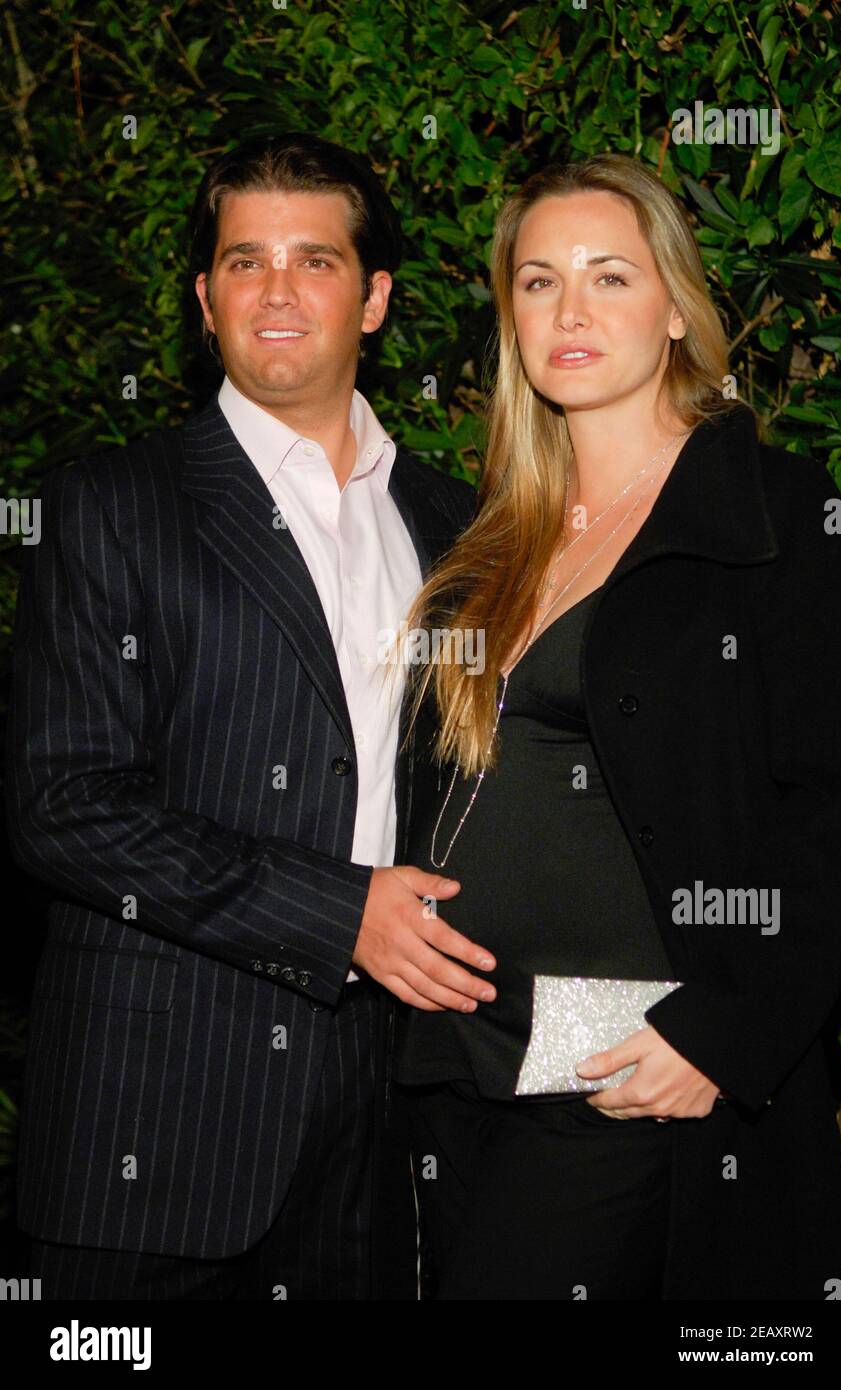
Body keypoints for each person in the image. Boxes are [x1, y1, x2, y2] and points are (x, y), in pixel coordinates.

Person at [5, 131, 492, 1300]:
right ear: (204, 296)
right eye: (243, 260)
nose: (275, 290)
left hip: (374, 1128)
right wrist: (339, 916)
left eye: (314, 260)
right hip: (151, 1124)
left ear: (372, 300)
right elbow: (61, 806)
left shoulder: (456, 522)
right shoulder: (112, 505)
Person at [390, 154, 841, 1300]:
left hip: (618, 1050)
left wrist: (729, 1027)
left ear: (673, 312)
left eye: (609, 277)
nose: (568, 309)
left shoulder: (780, 515)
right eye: (538, 281)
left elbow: (838, 797)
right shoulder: (492, 537)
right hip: (456, 1052)